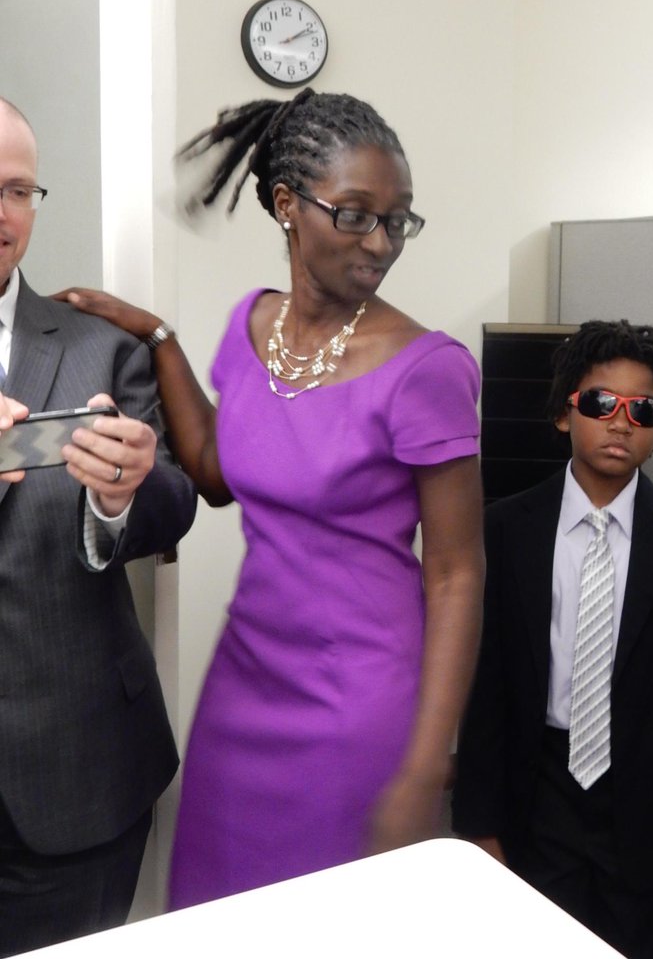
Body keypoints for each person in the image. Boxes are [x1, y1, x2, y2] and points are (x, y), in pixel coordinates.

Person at [61, 88, 485, 910]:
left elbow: (458, 575)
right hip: (246, 683)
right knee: (217, 912)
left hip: (359, 702)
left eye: (398, 220)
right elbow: (218, 473)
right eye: (356, 214)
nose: (382, 242)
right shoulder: (251, 325)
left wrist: (428, 762)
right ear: (288, 205)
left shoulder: (427, 368)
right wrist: (157, 338)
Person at [452, 320, 653, 959]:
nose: (620, 421)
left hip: (642, 809)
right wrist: (478, 823)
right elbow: (486, 686)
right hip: (537, 793)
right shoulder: (505, 529)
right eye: (600, 402)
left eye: (643, 409)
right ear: (564, 413)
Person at [0, 98, 197, 956]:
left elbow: (176, 502)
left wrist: (122, 494)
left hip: (76, 778)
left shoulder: (97, 349)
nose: (0, 212)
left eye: (16, 189)